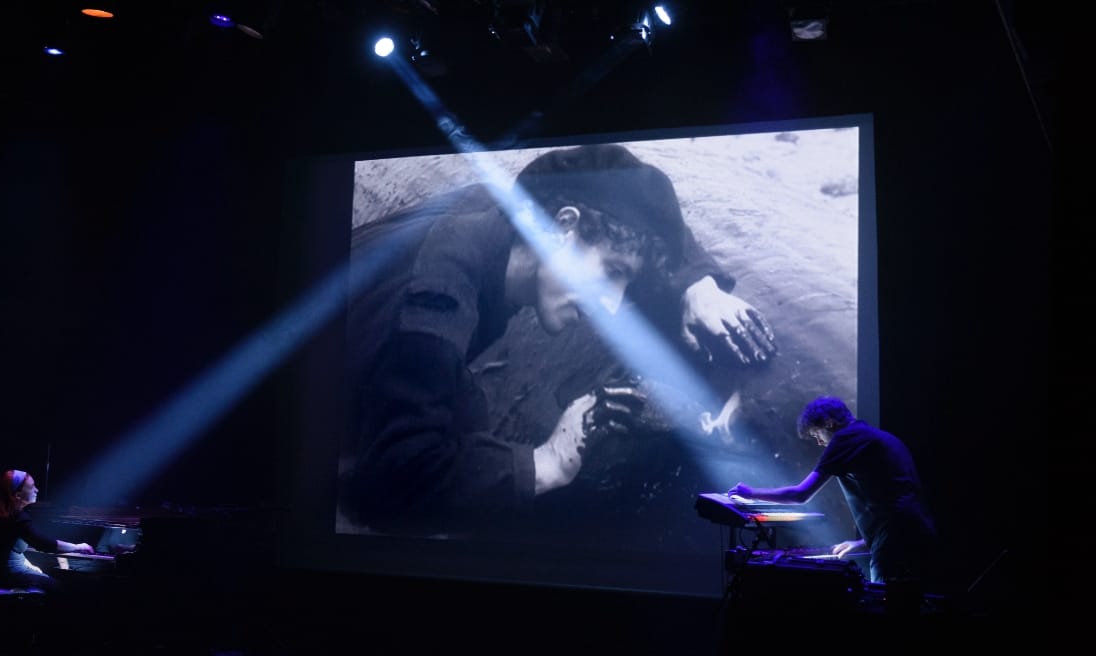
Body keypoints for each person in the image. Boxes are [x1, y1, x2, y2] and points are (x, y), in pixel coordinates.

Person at [338, 143, 774, 535]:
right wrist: (548, 462)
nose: (610, 305)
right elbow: (391, 480)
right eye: (613, 272)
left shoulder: (498, 212)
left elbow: (623, 195)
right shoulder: (434, 301)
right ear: (565, 225)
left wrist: (697, 285)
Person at [729, 396, 937, 585]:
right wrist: (863, 543)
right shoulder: (879, 438)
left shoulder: (846, 439)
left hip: (894, 539)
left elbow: (800, 494)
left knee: (885, 604)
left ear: (829, 422)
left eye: (816, 434)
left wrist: (750, 493)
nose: (820, 443)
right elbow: (896, 502)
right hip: (918, 530)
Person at [0, 468, 94, 591]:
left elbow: (7, 549)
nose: (36, 490)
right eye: (32, 486)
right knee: (62, 589)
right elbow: (43, 544)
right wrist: (77, 547)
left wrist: (29, 565)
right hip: (9, 577)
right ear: (18, 495)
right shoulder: (17, 517)